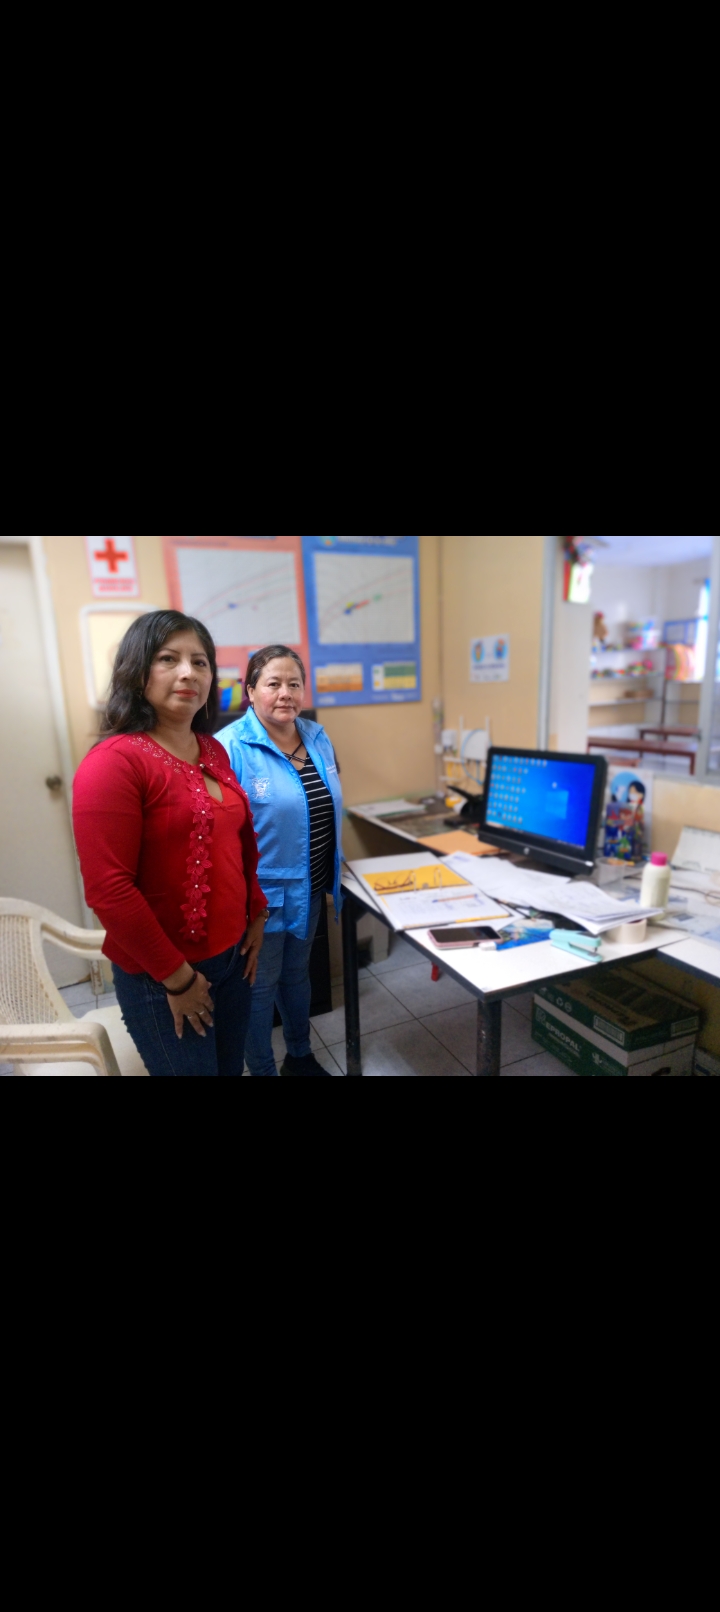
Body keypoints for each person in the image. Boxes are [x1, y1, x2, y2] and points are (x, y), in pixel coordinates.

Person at [73, 611, 269, 1077]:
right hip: (162, 977)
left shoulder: (212, 749)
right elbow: (109, 891)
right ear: (138, 670)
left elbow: (235, 842)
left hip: (233, 959)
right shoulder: (114, 763)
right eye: (168, 659)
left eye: (200, 662)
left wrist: (256, 913)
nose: (188, 673)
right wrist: (178, 981)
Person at [219, 646, 343, 1077]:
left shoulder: (316, 736)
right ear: (251, 690)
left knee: (297, 976)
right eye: (273, 684)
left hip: (310, 887)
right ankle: (263, 1071)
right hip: (261, 900)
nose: (285, 693)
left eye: (294, 684)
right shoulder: (230, 746)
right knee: (258, 989)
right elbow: (221, 834)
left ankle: (300, 1056)